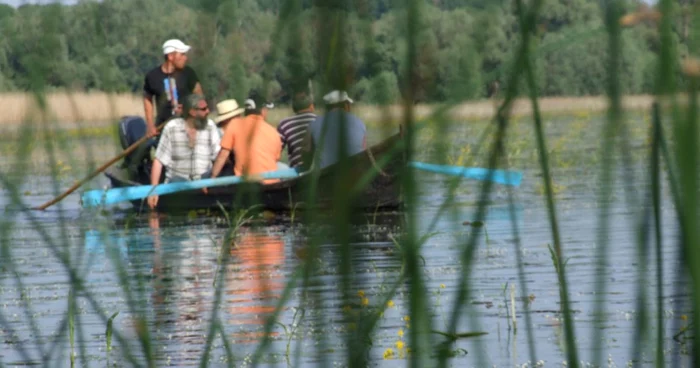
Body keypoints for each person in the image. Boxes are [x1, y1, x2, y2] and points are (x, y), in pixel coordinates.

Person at [148, 94, 221, 209]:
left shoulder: (210, 126)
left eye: (207, 108)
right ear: (192, 112)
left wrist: (212, 180)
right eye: (203, 109)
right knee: (177, 180)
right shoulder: (171, 128)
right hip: (178, 182)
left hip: (204, 181)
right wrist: (154, 190)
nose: (208, 111)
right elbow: (159, 161)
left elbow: (219, 157)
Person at [210, 91, 283, 184]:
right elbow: (275, 158)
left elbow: (223, 155)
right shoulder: (273, 132)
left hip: (247, 185)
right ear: (263, 111)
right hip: (272, 184)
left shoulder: (234, 125)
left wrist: (212, 177)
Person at [143, 39, 203, 138]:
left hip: (188, 128)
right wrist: (150, 125)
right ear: (170, 56)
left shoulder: (188, 73)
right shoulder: (152, 77)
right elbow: (147, 99)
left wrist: (188, 108)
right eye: (182, 54)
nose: (185, 58)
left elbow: (199, 96)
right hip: (164, 131)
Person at [307, 90, 366, 169]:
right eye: (348, 104)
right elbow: (364, 152)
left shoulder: (314, 124)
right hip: (354, 174)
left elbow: (306, 156)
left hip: (325, 177)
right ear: (345, 105)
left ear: (326, 107)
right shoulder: (359, 123)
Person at [277, 89, 317, 170]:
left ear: (294, 108)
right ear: (311, 107)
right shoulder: (319, 121)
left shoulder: (285, 124)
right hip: (318, 170)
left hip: (297, 173)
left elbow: (276, 152)